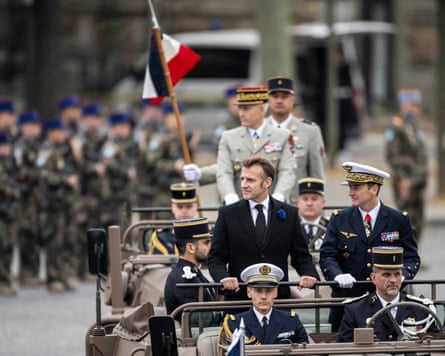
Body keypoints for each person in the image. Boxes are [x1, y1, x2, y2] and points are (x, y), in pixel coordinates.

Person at [319, 161, 420, 331]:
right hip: (348, 303)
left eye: (356, 188)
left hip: (386, 303)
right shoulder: (339, 219)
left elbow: (411, 258)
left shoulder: (398, 220)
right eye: (350, 187)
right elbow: (328, 255)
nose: (350, 193)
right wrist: (337, 276)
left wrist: (402, 275)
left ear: (374, 189)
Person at [209, 156, 318, 301]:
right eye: (242, 179)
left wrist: (309, 274)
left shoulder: (289, 213)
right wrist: (223, 278)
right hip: (240, 300)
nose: (243, 184)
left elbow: (301, 255)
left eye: (250, 180)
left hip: (278, 300)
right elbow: (216, 258)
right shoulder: (227, 214)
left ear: (267, 182)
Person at [337, 246, 437, 342]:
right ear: (374, 278)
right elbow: (343, 349)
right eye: (386, 275)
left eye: (397, 274)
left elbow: (435, 345)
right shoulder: (356, 310)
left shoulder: (420, 309)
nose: (393, 280)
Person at [36, 118, 80, 292]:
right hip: (51, 204)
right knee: (54, 240)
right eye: (59, 131)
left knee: (65, 240)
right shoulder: (45, 151)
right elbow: (42, 175)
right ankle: (52, 277)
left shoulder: (64, 151)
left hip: (65, 203)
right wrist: (64, 180)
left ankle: (63, 275)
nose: (63, 135)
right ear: (51, 133)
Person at [219, 263, 309, 347]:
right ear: (249, 292)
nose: (264, 296)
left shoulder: (291, 321)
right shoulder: (234, 323)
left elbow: (304, 351)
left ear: (276, 292)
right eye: (258, 291)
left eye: (269, 291)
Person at [266, 76, 326, 202]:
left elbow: (317, 175)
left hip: (296, 207)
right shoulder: (258, 130)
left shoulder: (309, 131)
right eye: (275, 96)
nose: (279, 100)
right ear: (268, 100)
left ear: (292, 100)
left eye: (284, 96)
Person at [385, 88, 428, 243]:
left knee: (418, 219)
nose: (413, 109)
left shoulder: (415, 125)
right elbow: (393, 156)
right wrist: (404, 179)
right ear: (402, 105)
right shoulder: (397, 126)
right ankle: (400, 255)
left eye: (416, 105)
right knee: (404, 219)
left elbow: (421, 155)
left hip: (417, 179)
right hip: (405, 179)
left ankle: (414, 255)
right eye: (410, 105)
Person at [164, 217, 215, 323]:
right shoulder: (186, 279)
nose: (210, 247)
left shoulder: (192, 272)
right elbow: (201, 323)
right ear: (191, 247)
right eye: (206, 243)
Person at [14, 111, 43, 286]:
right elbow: (21, 172)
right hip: (25, 199)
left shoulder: (39, 146)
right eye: (29, 126)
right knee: (26, 234)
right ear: (23, 127)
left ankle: (34, 271)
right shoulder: (19, 147)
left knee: (37, 234)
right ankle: (26, 272)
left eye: (35, 126)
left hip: (38, 198)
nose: (33, 129)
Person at [100, 111, 138, 227]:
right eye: (121, 126)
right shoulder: (110, 145)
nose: (125, 129)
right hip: (114, 195)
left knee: (127, 226)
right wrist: (126, 171)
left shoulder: (131, 144)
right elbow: (108, 163)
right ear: (114, 128)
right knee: (116, 229)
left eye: (127, 126)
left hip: (127, 194)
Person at [147, 182, 199, 255]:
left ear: (196, 207)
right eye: (179, 207)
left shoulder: (207, 236)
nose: (184, 211)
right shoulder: (161, 237)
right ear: (173, 208)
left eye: (189, 206)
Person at [0, 131, 19, 296]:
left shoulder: (9, 163)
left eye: (7, 146)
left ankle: (5, 279)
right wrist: (12, 191)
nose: (5, 149)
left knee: (8, 246)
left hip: (9, 212)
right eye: (2, 146)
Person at [296, 177, 328, 253]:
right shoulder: (290, 227)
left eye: (314, 199)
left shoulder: (331, 227)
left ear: (323, 202)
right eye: (305, 199)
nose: (309, 203)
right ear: (298, 202)